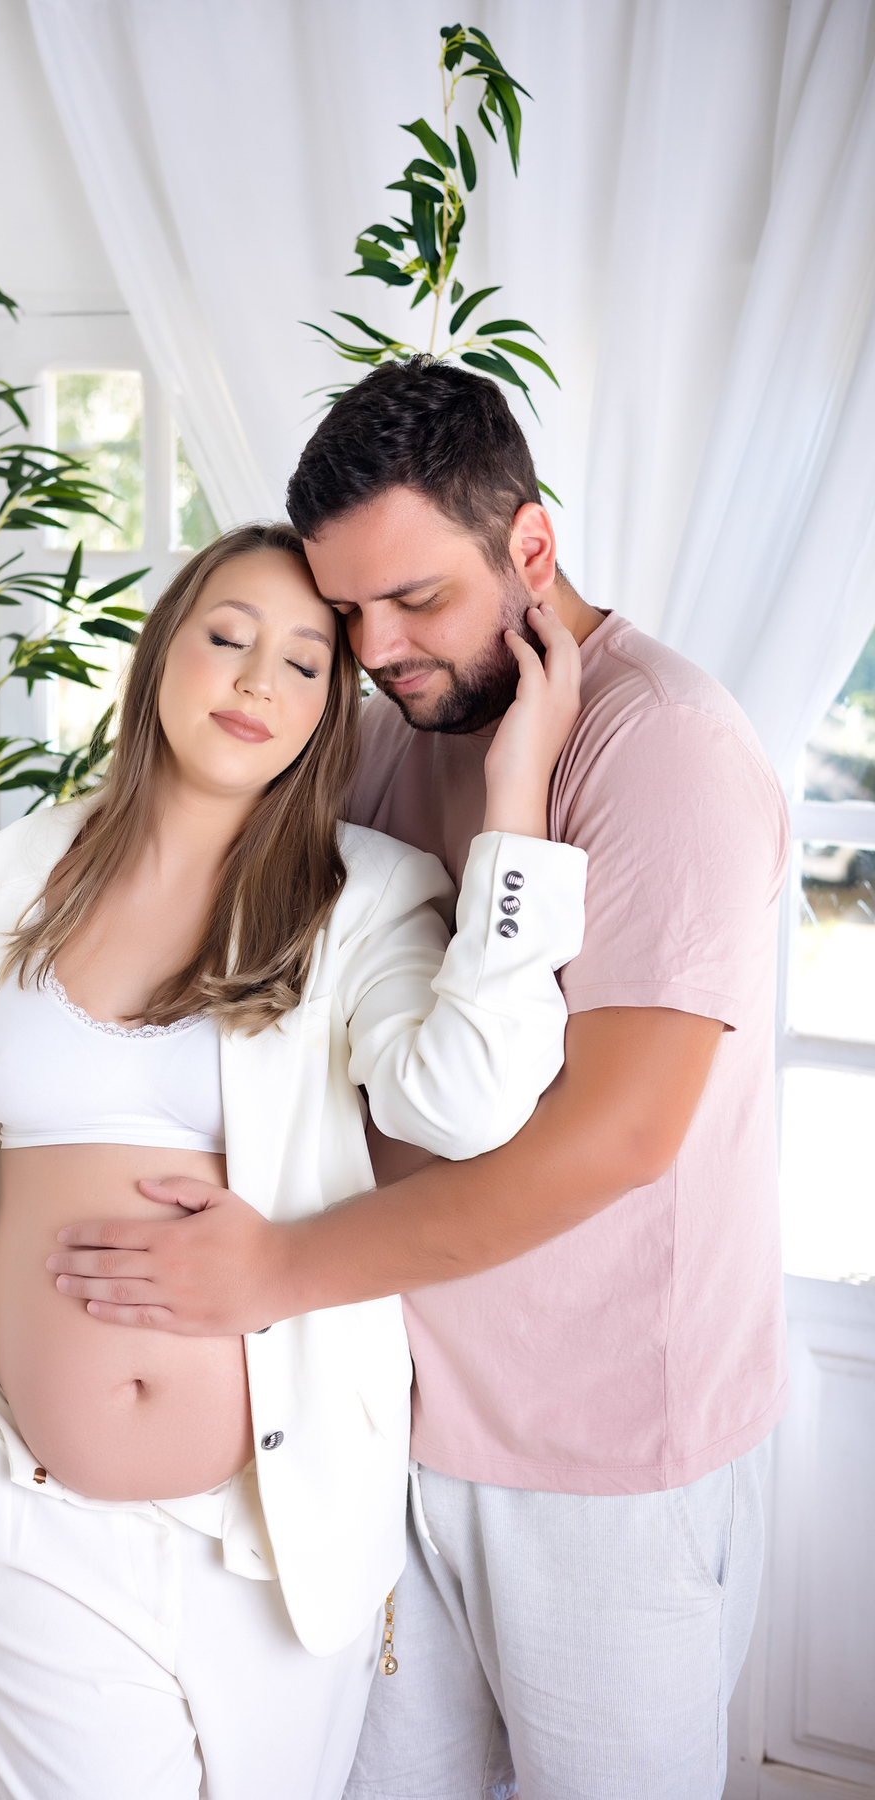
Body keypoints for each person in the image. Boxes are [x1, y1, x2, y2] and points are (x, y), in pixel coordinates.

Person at [49, 363, 791, 1800]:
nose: (377, 648)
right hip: (386, 1426)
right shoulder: (398, 728)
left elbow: (618, 1137)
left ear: (531, 545)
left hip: (604, 1463)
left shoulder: (663, 749)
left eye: (418, 599)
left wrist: (275, 1272)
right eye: (349, 611)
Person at [0, 521, 589, 1800]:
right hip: (22, 1506)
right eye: (227, 637)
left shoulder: (362, 897)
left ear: (330, 709)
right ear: (160, 653)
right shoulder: (10, 882)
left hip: (271, 1538)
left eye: (303, 663)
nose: (255, 682)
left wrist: (517, 807)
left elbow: (467, 1105)